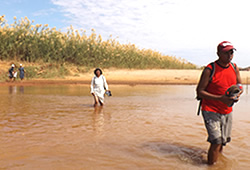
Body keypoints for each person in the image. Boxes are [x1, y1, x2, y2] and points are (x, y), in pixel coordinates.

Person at [196, 41, 243, 165]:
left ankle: (218, 163)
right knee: (216, 141)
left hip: (227, 110)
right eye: (226, 52)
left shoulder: (234, 67)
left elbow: (239, 85)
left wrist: (238, 94)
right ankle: (211, 166)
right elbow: (200, 92)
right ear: (218, 53)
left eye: (231, 52)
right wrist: (220, 98)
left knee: (222, 141)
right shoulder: (210, 69)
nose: (229, 55)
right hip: (210, 109)